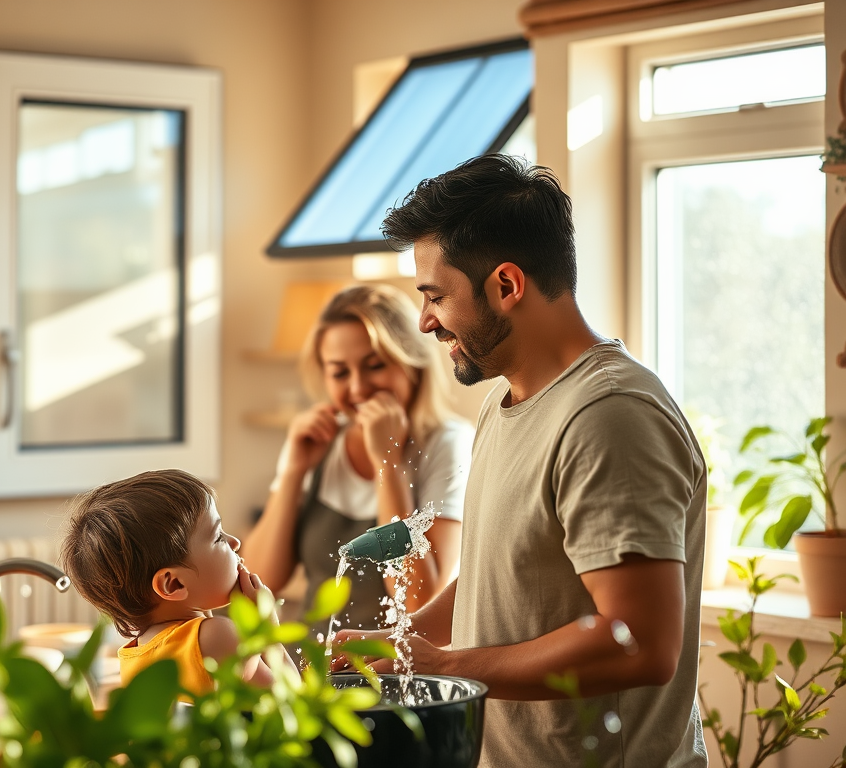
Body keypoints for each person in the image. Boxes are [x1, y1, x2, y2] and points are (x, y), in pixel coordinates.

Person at [336, 155, 708, 767]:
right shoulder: (504, 402)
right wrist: (407, 640)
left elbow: (639, 642)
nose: (425, 321)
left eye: (435, 296)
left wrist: (449, 666)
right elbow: (499, 580)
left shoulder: (609, 416)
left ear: (506, 285)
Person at [240, 284, 474, 639]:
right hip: (313, 668)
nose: (358, 388)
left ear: (413, 363)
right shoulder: (321, 442)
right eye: (339, 372)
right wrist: (292, 472)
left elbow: (417, 602)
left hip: (397, 674)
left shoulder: (449, 443)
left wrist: (388, 463)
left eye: (375, 365)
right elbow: (260, 582)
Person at [60, 469, 297, 696]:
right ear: (173, 585)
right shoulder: (219, 637)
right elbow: (294, 698)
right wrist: (266, 627)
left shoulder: (138, 651)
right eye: (218, 537)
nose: (234, 542)